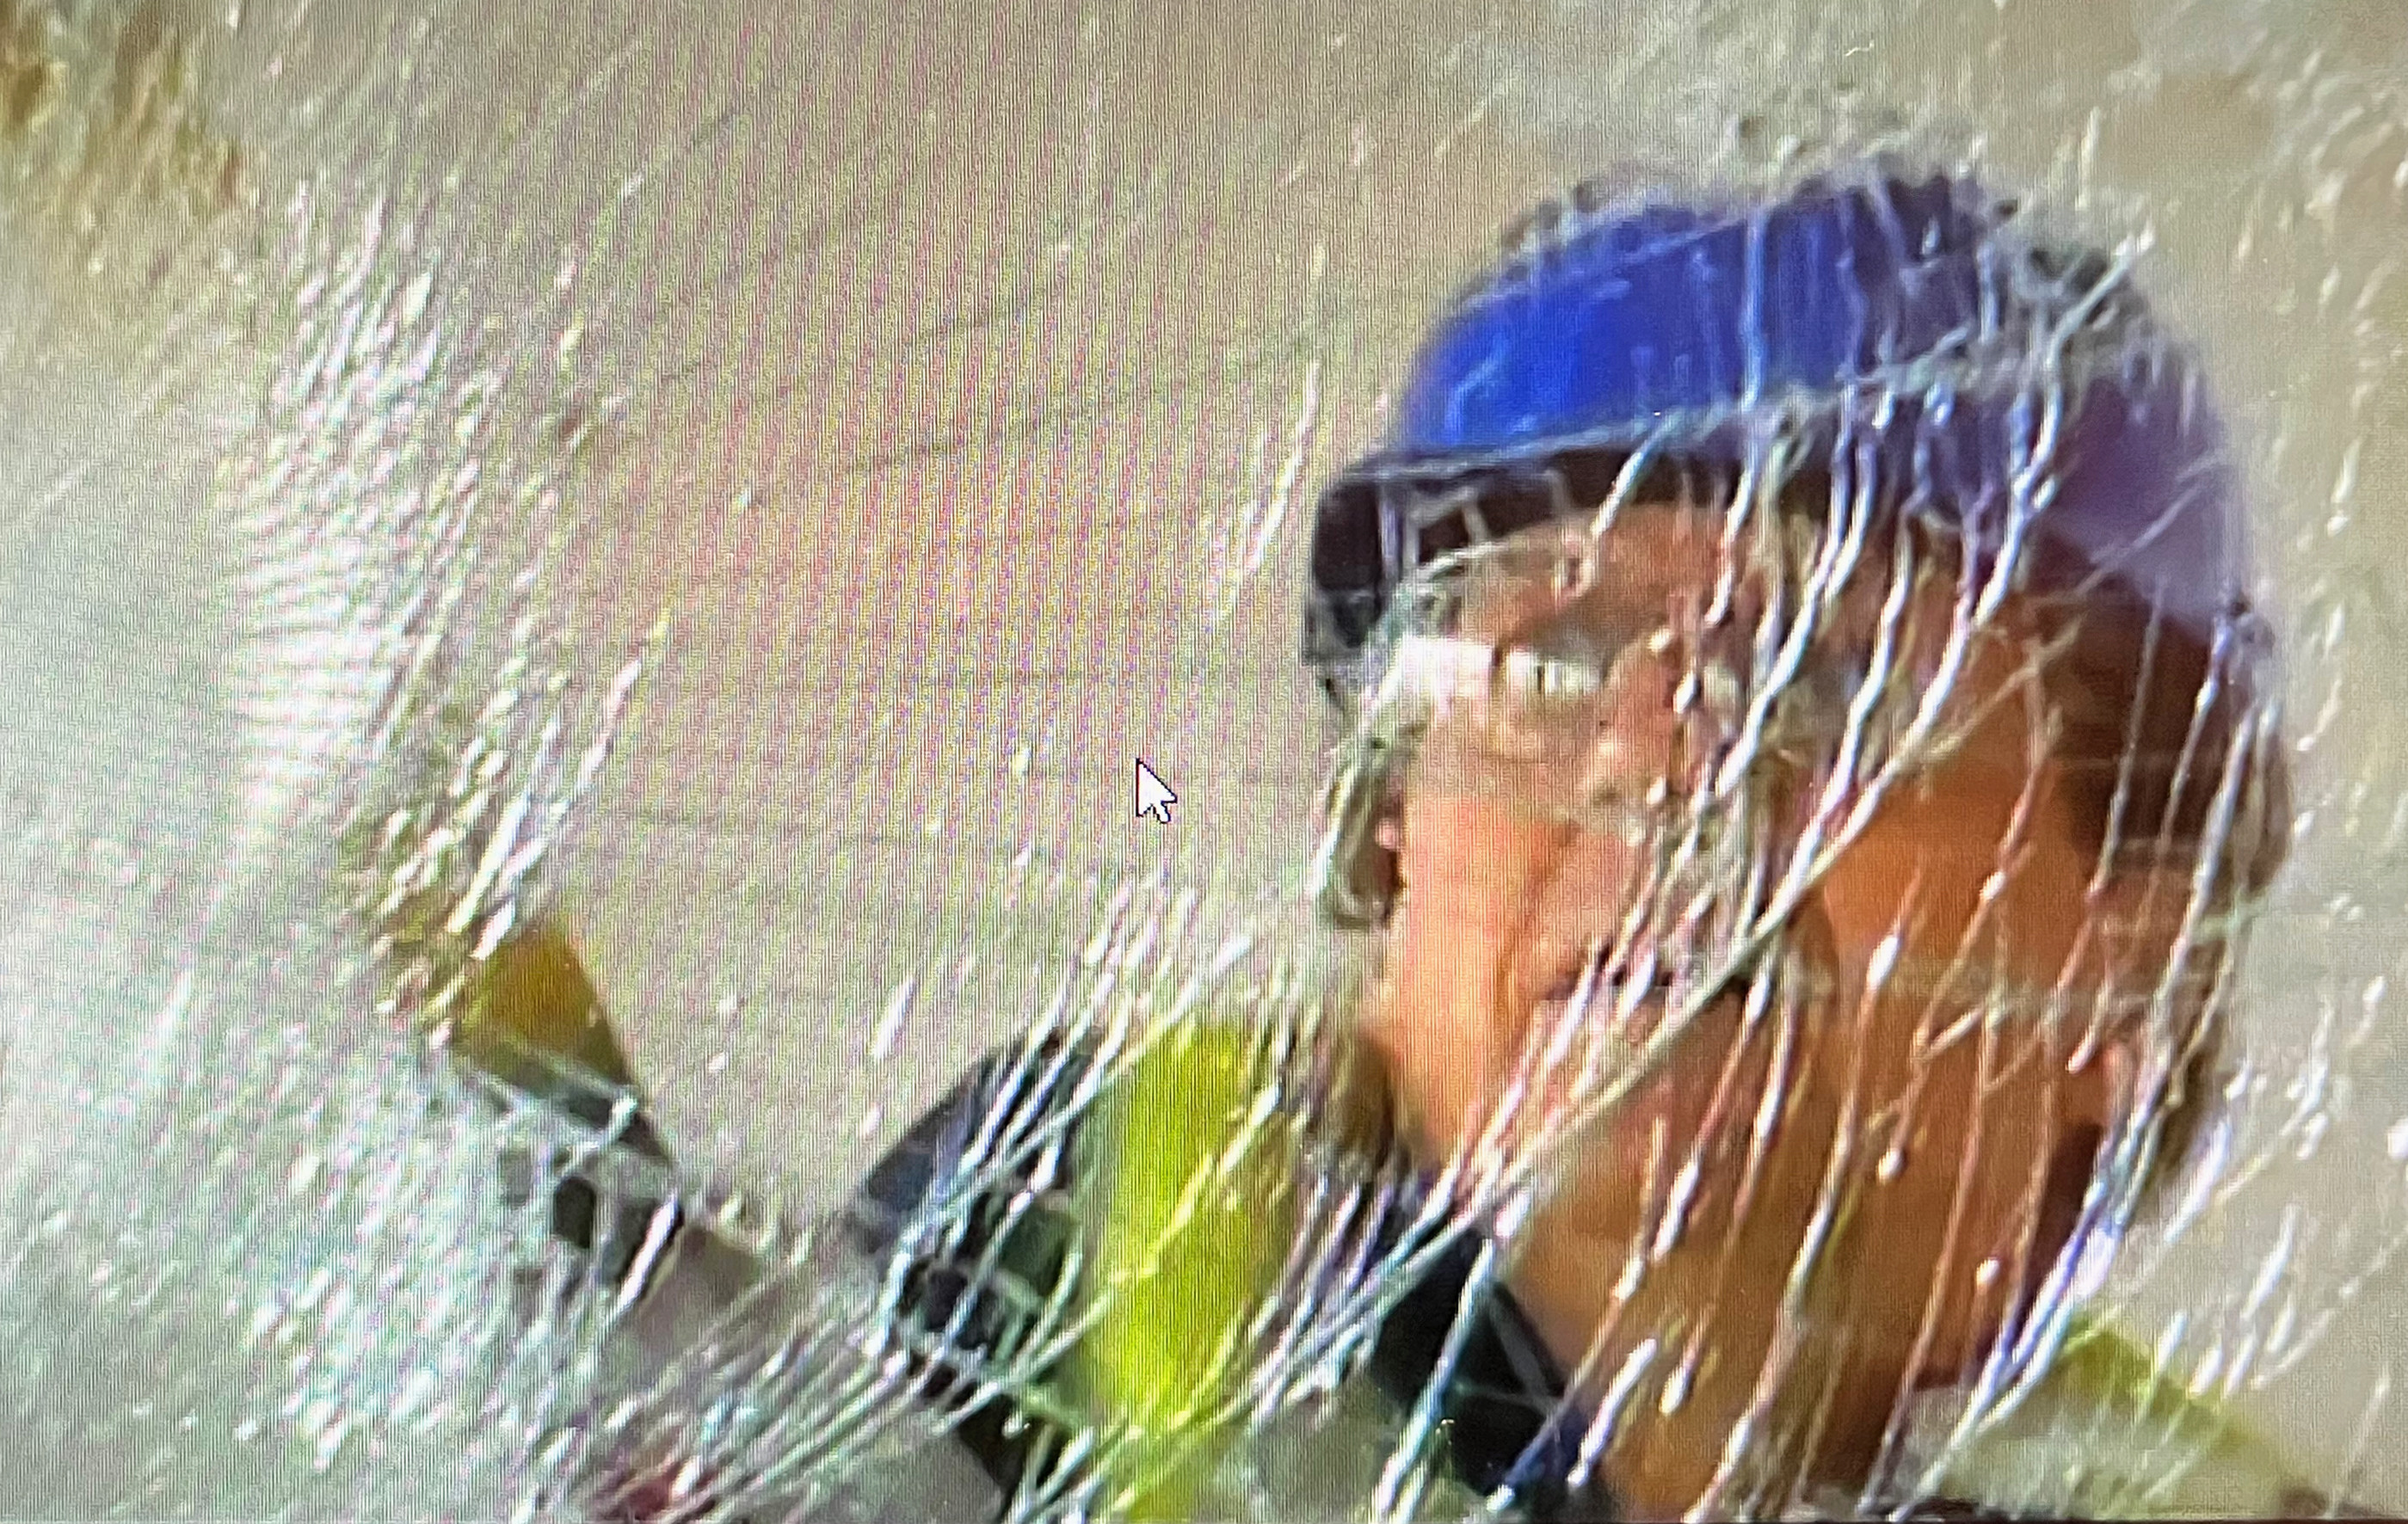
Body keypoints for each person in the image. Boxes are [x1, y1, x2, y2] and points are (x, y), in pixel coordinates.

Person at [455, 165, 2343, 1521]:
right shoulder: (1075, 1267)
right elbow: (616, 1347)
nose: (1656, 760)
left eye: (1827, 677)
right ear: (1397, 844)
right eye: (1553, 659)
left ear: (2134, 945)